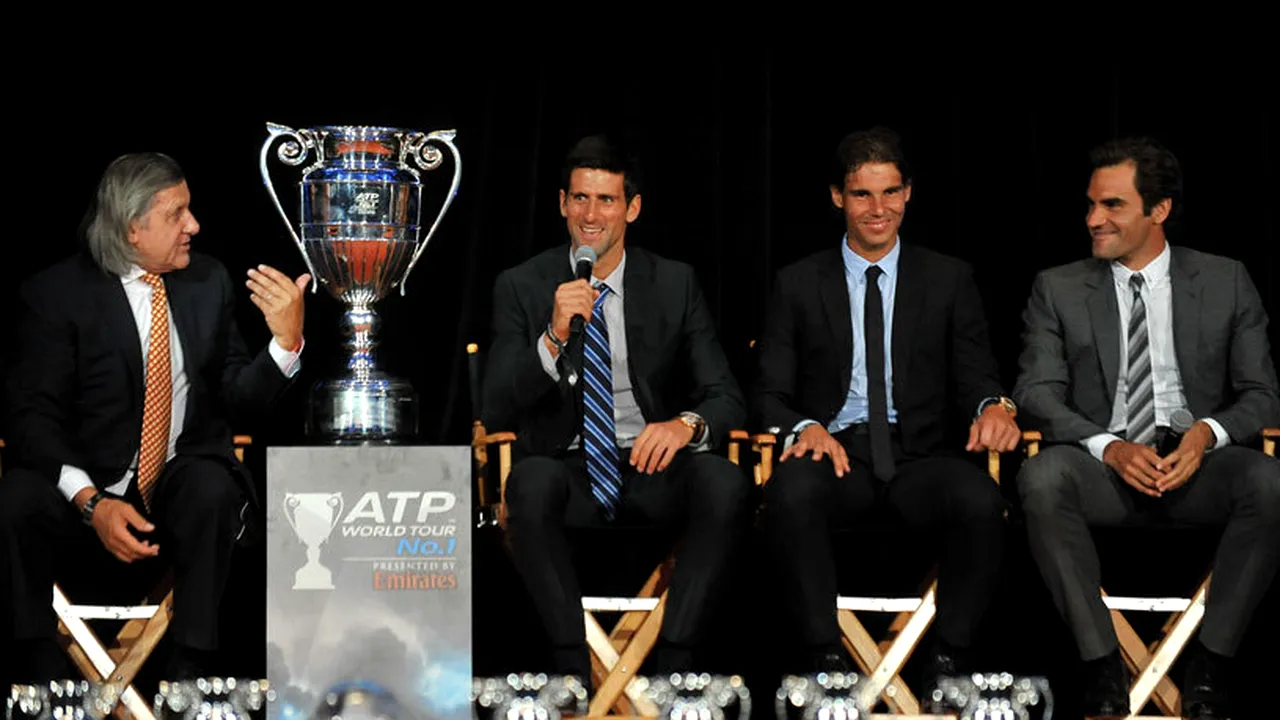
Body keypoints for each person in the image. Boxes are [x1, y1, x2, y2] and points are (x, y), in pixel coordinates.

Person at [0, 152, 310, 679]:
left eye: (190, 209)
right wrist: (91, 502)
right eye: (176, 214)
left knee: (213, 487)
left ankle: (189, 670)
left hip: (173, 487)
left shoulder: (207, 282)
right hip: (82, 494)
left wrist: (285, 341)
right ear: (132, 228)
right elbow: (31, 418)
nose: (194, 225)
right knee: (16, 498)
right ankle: (39, 669)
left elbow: (240, 398)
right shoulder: (56, 295)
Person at [1013, 136, 1280, 719]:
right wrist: (1107, 448)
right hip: (1102, 470)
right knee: (1040, 477)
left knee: (1269, 481)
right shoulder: (1057, 288)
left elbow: (1262, 396)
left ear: (1158, 211)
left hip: (1196, 467)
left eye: (1112, 206)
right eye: (1090, 205)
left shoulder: (1226, 280)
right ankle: (1102, 665)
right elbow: (1034, 394)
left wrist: (1207, 433)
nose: (1093, 219)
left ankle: (1210, 667)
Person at [752, 127, 1018, 699]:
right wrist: (806, 427)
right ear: (836, 198)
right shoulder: (797, 283)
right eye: (862, 195)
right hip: (837, 450)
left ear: (908, 194)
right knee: (791, 491)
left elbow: (978, 378)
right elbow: (767, 393)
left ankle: (949, 660)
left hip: (921, 452)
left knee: (980, 500)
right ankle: (823, 659)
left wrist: (993, 407)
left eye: (890, 192)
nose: (878, 209)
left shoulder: (949, 279)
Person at [482, 135, 750, 681]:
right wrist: (554, 336)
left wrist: (684, 425)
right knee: (528, 485)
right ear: (561, 203)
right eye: (580, 198)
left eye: (606, 200)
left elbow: (726, 397)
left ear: (632, 207)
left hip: (650, 465)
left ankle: (676, 662)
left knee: (725, 482)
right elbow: (496, 406)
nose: (591, 214)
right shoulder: (522, 285)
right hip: (568, 468)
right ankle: (573, 668)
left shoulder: (675, 282)